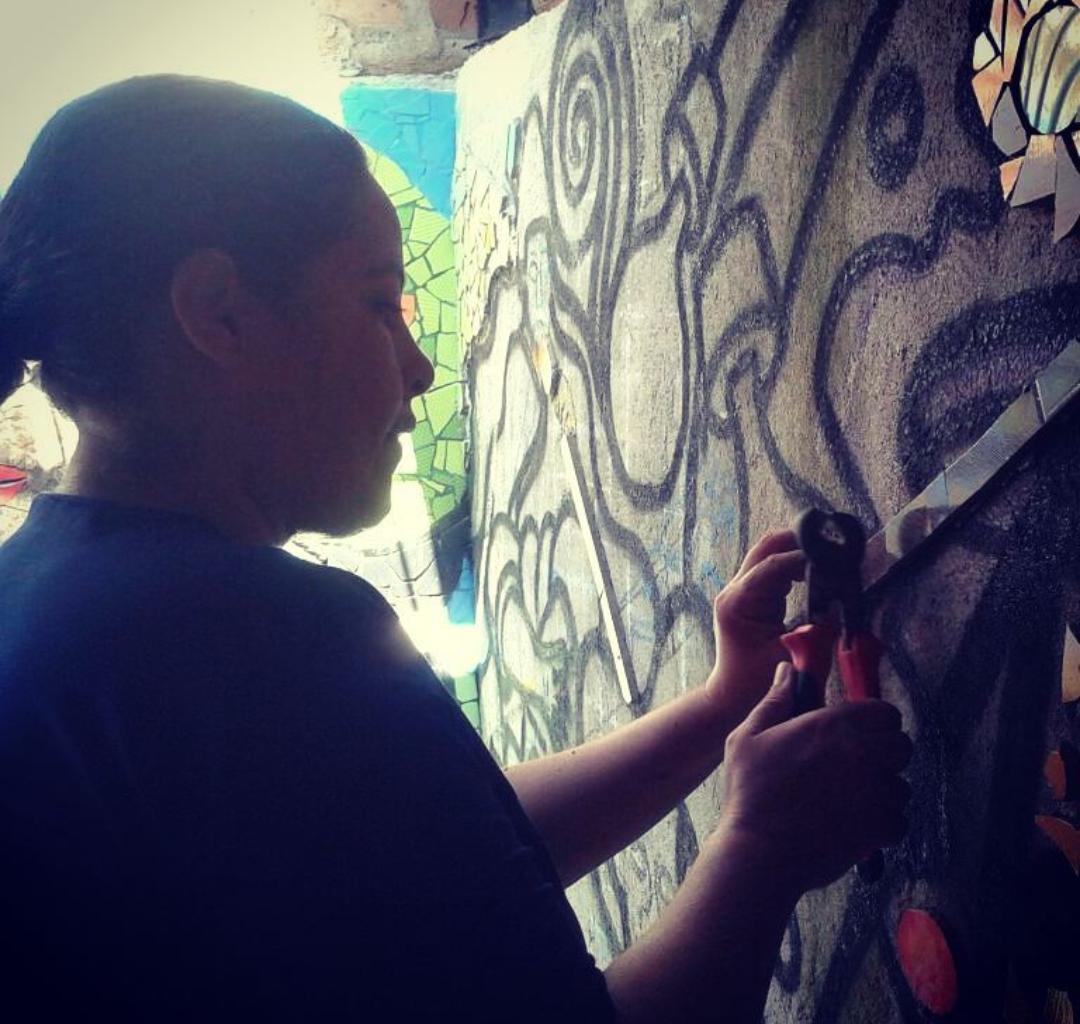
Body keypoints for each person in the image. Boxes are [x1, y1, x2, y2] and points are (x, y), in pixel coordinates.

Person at [0, 76, 911, 1022]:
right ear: (219, 313)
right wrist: (763, 851)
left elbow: (442, 864)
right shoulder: (250, 635)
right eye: (378, 302)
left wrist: (720, 709)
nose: (421, 366)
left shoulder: (54, 611)